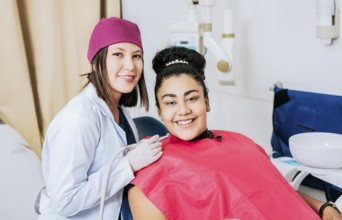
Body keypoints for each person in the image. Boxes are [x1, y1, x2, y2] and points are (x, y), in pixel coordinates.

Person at [127, 46, 342, 220]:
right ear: (160, 112)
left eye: (192, 98)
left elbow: (277, 189)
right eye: (171, 102)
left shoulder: (241, 142)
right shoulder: (151, 174)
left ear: (207, 102)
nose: (183, 110)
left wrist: (322, 206)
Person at [38, 17, 163, 220]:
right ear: (96, 62)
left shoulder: (119, 111)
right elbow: (65, 201)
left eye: (136, 56)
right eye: (118, 54)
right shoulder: (80, 118)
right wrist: (129, 165)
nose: (130, 66)